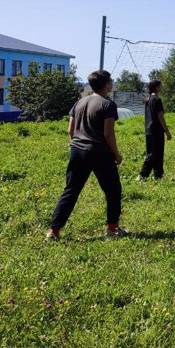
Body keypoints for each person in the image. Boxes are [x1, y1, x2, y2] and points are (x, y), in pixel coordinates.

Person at [45, 70, 129, 240]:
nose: (112, 83)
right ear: (106, 84)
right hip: (100, 153)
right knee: (113, 190)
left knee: (71, 190)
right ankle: (112, 230)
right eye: (111, 81)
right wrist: (116, 154)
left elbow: (71, 130)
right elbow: (108, 134)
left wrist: (78, 144)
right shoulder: (108, 104)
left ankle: (53, 231)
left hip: (77, 151)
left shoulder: (79, 102)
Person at [137, 80, 172, 181]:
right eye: (161, 85)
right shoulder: (156, 100)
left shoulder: (148, 99)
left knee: (155, 153)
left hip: (149, 130)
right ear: (157, 88)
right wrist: (167, 131)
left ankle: (158, 175)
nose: (162, 86)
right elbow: (160, 116)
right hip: (156, 130)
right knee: (154, 154)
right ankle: (142, 175)